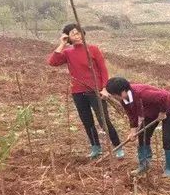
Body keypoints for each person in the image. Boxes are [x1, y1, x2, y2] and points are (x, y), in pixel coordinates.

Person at [47, 24, 122, 159]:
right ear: (68, 37)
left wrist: (105, 88)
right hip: (78, 92)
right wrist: (62, 44)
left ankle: (118, 146)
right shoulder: (68, 53)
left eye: (78, 32)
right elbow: (52, 62)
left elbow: (103, 70)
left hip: (95, 91)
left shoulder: (93, 49)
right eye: (73, 34)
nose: (77, 35)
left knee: (103, 120)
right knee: (87, 121)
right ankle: (96, 147)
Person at [104, 77, 170, 176]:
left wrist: (162, 112)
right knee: (142, 135)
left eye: (114, 95)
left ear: (122, 92)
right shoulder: (124, 100)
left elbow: (164, 97)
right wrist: (133, 131)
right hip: (151, 111)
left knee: (167, 138)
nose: (113, 97)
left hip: (168, 107)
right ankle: (144, 165)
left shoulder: (142, 94)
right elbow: (132, 115)